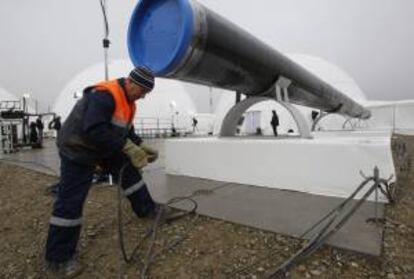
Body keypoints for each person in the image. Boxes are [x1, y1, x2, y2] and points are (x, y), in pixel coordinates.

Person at [45, 66, 158, 277]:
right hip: (77, 148)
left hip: (102, 146)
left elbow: (124, 129)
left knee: (130, 172)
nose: (143, 97)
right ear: (131, 83)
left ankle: (147, 210)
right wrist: (128, 148)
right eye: (142, 91)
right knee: (71, 200)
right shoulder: (104, 96)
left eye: (146, 94)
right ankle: (58, 258)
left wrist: (140, 144)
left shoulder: (128, 101)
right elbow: (94, 129)